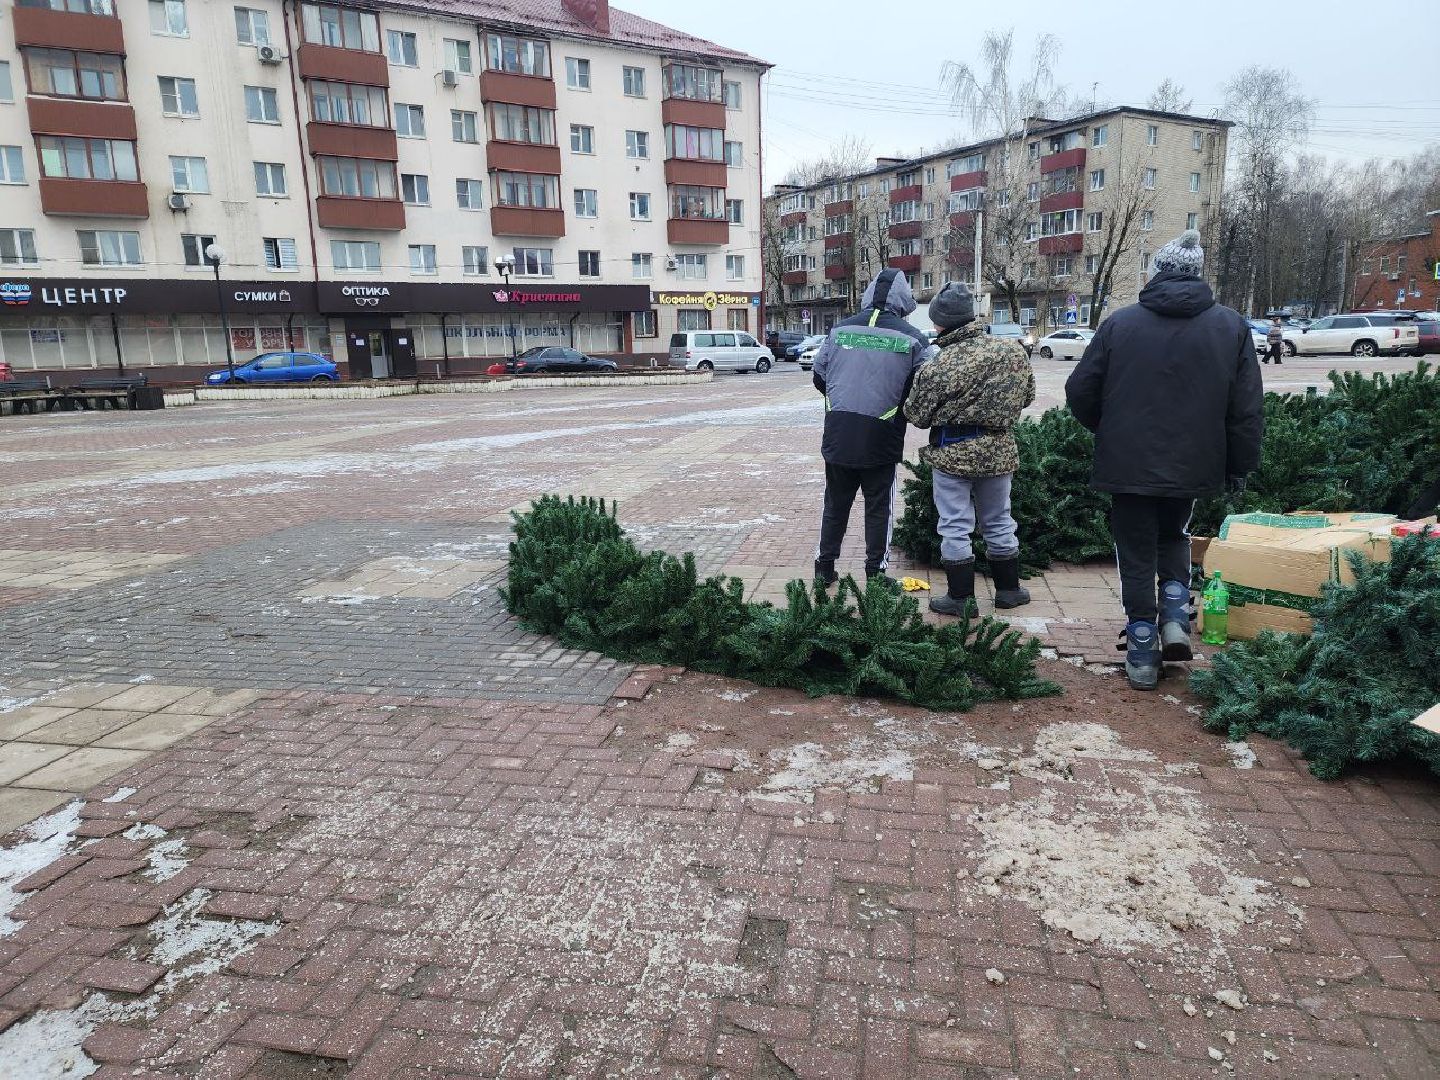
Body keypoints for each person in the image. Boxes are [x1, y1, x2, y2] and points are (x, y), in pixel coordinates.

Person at [1064, 229, 1263, 691]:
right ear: (1197, 274)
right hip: (1196, 461)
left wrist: (1110, 430)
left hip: (1128, 463)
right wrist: (1239, 464)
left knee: (1134, 550)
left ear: (1158, 273)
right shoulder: (1231, 325)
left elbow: (1079, 391)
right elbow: (1246, 407)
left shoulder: (1120, 323)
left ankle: (1141, 647)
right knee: (1175, 532)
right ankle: (1175, 613)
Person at [903, 282, 1035, 614]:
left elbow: (916, 415)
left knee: (955, 524)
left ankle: (960, 599)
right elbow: (1028, 396)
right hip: (998, 451)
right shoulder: (1012, 351)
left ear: (942, 322)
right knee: (999, 519)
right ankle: (1009, 591)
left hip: (952, 452)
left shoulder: (939, 364)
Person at [812, 269, 936, 586]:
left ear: (868, 294)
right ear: (903, 299)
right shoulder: (914, 338)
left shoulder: (839, 330)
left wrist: (843, 400)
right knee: (878, 508)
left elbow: (819, 376)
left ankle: (824, 568)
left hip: (838, 433)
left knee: (834, 505)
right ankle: (875, 573)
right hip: (882, 437)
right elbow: (924, 387)